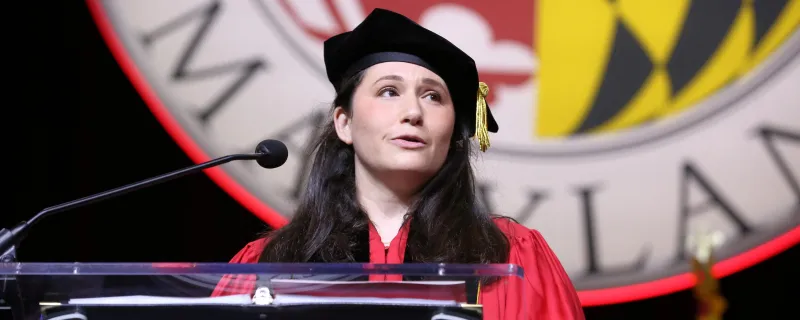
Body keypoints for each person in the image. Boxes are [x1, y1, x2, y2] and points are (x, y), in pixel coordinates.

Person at [211, 8, 584, 320]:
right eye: (389, 91)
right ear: (344, 122)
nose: (413, 112)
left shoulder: (510, 257)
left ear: (453, 129)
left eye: (433, 97)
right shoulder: (268, 266)